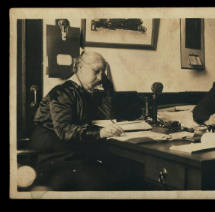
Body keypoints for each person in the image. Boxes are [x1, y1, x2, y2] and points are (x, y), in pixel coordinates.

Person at [30, 51, 143, 190]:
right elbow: (64, 131)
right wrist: (100, 133)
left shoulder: (85, 91)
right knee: (103, 181)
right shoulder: (62, 92)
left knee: (125, 171)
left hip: (73, 153)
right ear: (79, 67)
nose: (100, 77)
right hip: (55, 157)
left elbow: (108, 115)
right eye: (96, 71)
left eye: (103, 72)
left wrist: (106, 83)